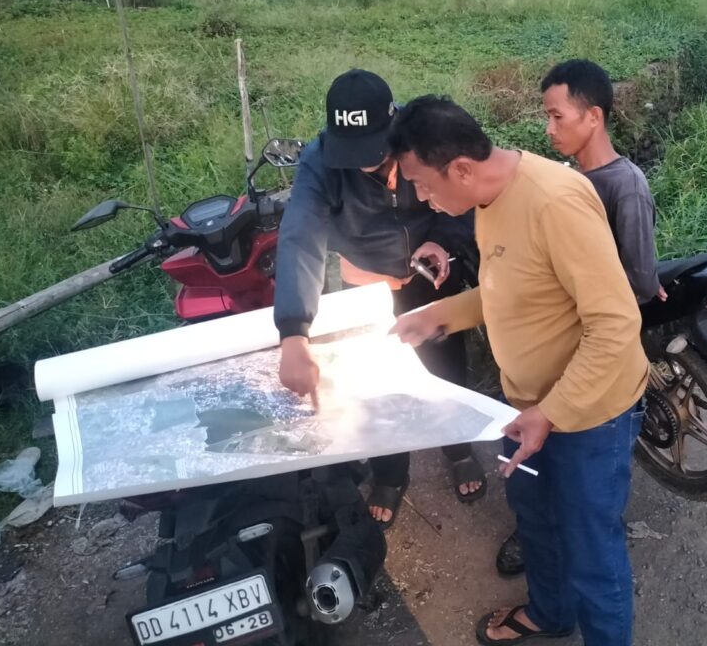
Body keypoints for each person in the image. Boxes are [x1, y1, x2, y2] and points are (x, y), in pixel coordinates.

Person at [389, 96, 649, 646]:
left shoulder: (555, 203)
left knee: (591, 551)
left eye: (424, 186)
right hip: (525, 408)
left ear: (461, 168)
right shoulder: (487, 199)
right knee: (536, 521)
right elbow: (511, 288)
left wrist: (551, 413)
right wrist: (439, 315)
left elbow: (616, 324)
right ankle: (551, 614)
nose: (423, 199)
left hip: (589, 416)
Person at [273, 69, 486, 528]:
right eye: (352, 155)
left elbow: (465, 195)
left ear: (394, 126)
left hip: (430, 272)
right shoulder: (320, 161)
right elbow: (299, 238)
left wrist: (444, 241)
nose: (365, 166)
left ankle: (458, 447)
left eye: (373, 153)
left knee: (446, 365)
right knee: (378, 385)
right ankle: (391, 472)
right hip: (365, 285)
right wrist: (294, 332)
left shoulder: (424, 135)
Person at [495, 58, 666, 577]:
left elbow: (638, 280)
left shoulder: (624, 184)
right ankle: (545, 533)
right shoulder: (567, 180)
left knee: (588, 488)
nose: (549, 129)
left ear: (594, 117)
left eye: (558, 117)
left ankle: (575, 547)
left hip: (595, 352)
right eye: (546, 117)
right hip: (558, 354)